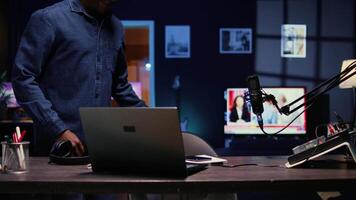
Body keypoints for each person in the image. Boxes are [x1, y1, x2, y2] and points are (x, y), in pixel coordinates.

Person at [12, 0, 146, 157]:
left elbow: (120, 87)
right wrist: (58, 130)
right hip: (55, 150)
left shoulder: (116, 27)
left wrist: (154, 121)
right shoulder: (48, 19)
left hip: (99, 150)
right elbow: (23, 78)